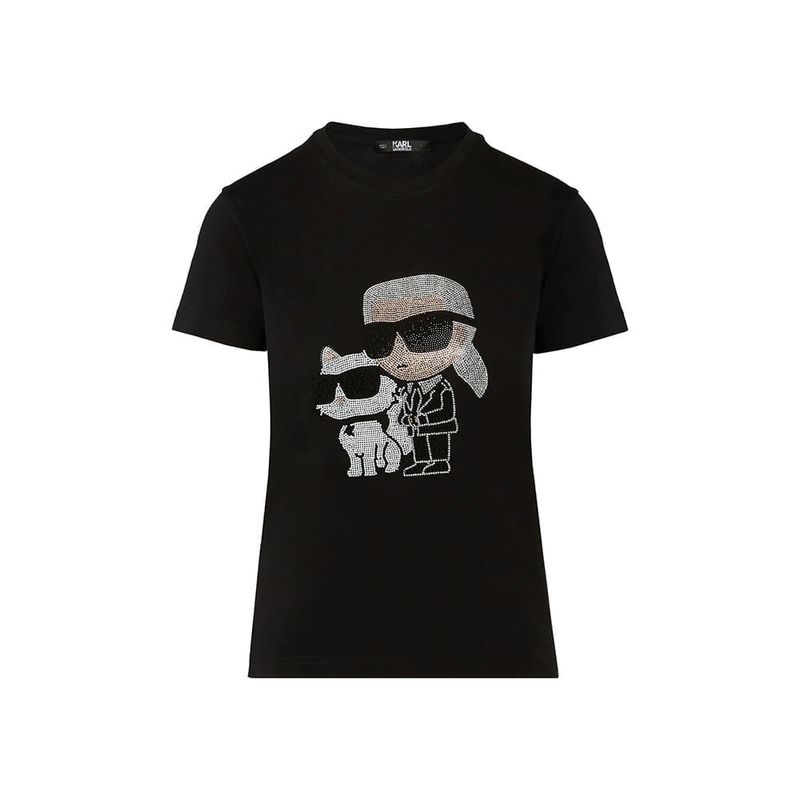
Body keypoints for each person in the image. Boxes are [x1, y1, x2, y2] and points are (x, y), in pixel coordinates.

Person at [362, 274, 488, 476]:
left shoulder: (446, 389)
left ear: (464, 332)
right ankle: (421, 462)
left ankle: (439, 462)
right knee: (420, 444)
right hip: (417, 427)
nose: (399, 350)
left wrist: (423, 417)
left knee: (436, 444)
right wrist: (406, 417)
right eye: (381, 339)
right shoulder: (409, 390)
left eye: (425, 331)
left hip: (439, 428)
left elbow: (445, 410)